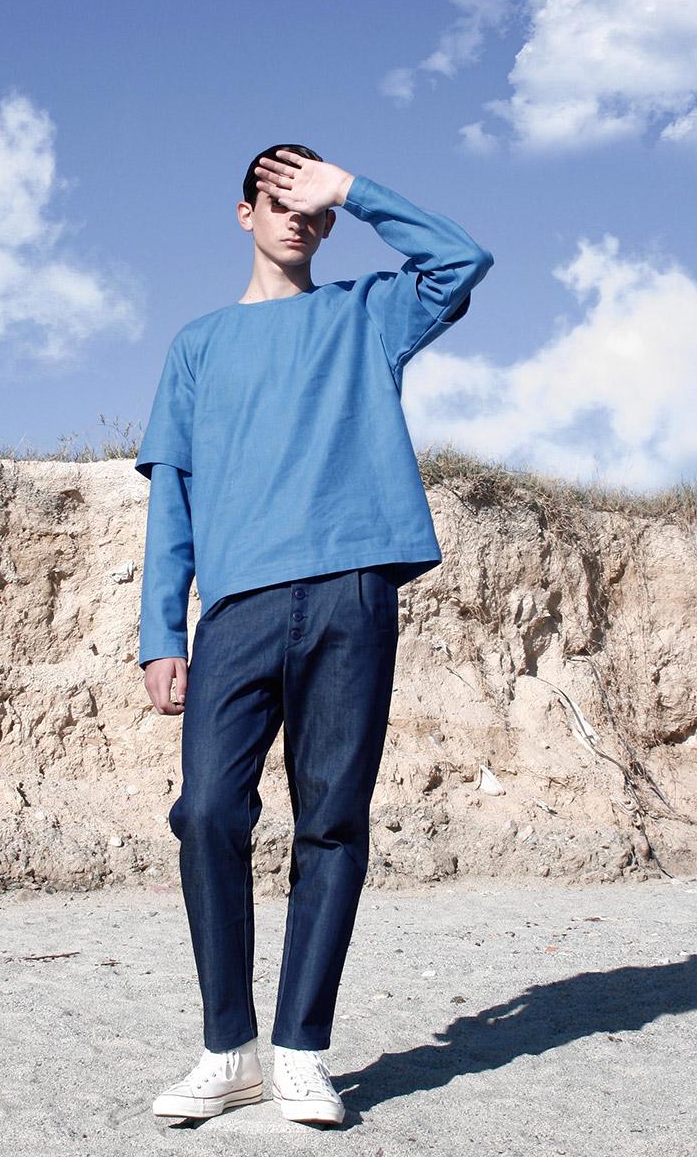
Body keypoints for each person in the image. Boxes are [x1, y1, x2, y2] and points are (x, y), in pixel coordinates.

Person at [135, 145, 494, 1126]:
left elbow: (460, 260)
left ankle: (299, 1051)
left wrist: (355, 191)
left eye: (312, 203)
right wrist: (162, 628)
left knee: (331, 820)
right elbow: (173, 493)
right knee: (207, 812)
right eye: (278, 197)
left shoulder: (364, 315)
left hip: (351, 591)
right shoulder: (198, 344)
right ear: (243, 212)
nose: (296, 215)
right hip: (238, 608)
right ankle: (227, 1050)